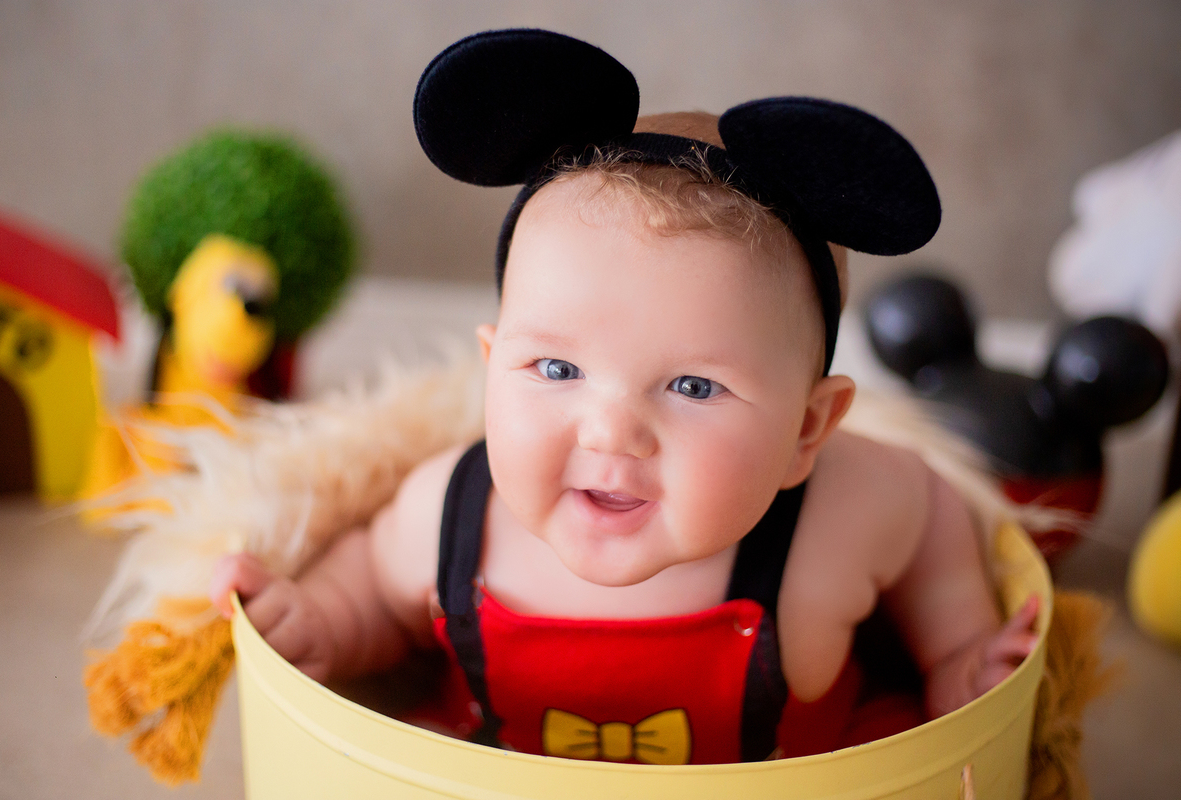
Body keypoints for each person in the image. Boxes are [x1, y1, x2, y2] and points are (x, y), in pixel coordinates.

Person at [210, 30, 1039, 765]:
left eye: (692, 385)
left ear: (807, 430)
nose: (612, 431)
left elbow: (933, 516)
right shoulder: (448, 513)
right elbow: (367, 589)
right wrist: (317, 622)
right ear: (493, 368)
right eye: (558, 370)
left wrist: (956, 647)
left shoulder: (850, 509)